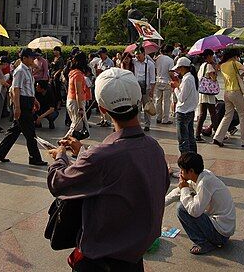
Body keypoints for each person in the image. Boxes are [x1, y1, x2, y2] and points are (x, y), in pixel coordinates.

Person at [47, 67, 170, 271]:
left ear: (103, 110)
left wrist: (60, 156)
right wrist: (83, 153)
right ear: (138, 103)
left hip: (101, 259)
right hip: (134, 256)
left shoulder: (102, 156)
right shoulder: (154, 148)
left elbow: (58, 183)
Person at [0, 47, 47, 165]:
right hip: (22, 102)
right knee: (30, 133)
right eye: (31, 57)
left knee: (15, 131)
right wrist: (17, 107)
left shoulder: (28, 70)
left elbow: (28, 88)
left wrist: (34, 100)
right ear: (24, 58)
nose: (33, 59)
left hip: (28, 100)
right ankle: (35, 158)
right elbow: (16, 89)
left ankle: (0, 152)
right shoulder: (20, 70)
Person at [174, 152, 236, 255]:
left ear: (191, 171)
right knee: (186, 201)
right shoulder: (202, 175)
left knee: (181, 208)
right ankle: (206, 239)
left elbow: (195, 211)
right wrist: (160, 206)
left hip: (221, 235)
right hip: (222, 228)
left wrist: (184, 188)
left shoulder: (205, 183)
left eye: (182, 170)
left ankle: (203, 243)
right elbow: (177, 192)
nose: (180, 173)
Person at [213, 49, 244, 148]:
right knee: (242, 115)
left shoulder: (222, 65)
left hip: (227, 92)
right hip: (236, 92)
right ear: (234, 56)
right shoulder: (235, 63)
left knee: (227, 115)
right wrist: (242, 74)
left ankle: (218, 137)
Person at [170, 56, 198, 153]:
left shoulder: (187, 79)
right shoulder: (190, 77)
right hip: (189, 111)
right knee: (190, 138)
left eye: (178, 69)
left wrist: (176, 88)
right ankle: (193, 159)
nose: (177, 71)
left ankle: (186, 161)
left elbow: (181, 98)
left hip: (183, 112)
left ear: (182, 68)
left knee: (183, 141)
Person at [196, 49, 219, 141]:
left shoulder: (202, 65)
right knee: (213, 113)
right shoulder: (209, 66)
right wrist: (215, 70)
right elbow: (213, 78)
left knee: (202, 114)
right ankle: (217, 134)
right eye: (211, 56)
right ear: (208, 56)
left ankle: (197, 134)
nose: (212, 57)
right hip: (209, 93)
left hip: (203, 92)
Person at [133, 47, 156, 132]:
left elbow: (153, 79)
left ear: (143, 54)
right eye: (136, 54)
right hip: (136, 88)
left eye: (139, 54)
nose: (137, 56)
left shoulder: (150, 64)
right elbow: (124, 61)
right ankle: (137, 124)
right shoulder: (134, 62)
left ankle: (147, 124)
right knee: (137, 108)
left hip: (146, 88)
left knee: (147, 108)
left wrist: (152, 91)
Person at [66, 51, 89, 135]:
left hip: (71, 100)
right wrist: (81, 108)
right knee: (77, 126)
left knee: (75, 124)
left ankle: (68, 142)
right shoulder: (78, 75)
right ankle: (64, 142)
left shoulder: (72, 73)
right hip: (76, 102)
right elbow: (78, 92)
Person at [155, 45, 174, 125]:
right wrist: (173, 79)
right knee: (166, 101)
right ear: (169, 51)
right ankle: (165, 119)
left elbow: (155, 69)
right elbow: (170, 72)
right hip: (166, 81)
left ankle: (158, 117)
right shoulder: (170, 60)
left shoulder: (157, 59)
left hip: (158, 80)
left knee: (158, 100)